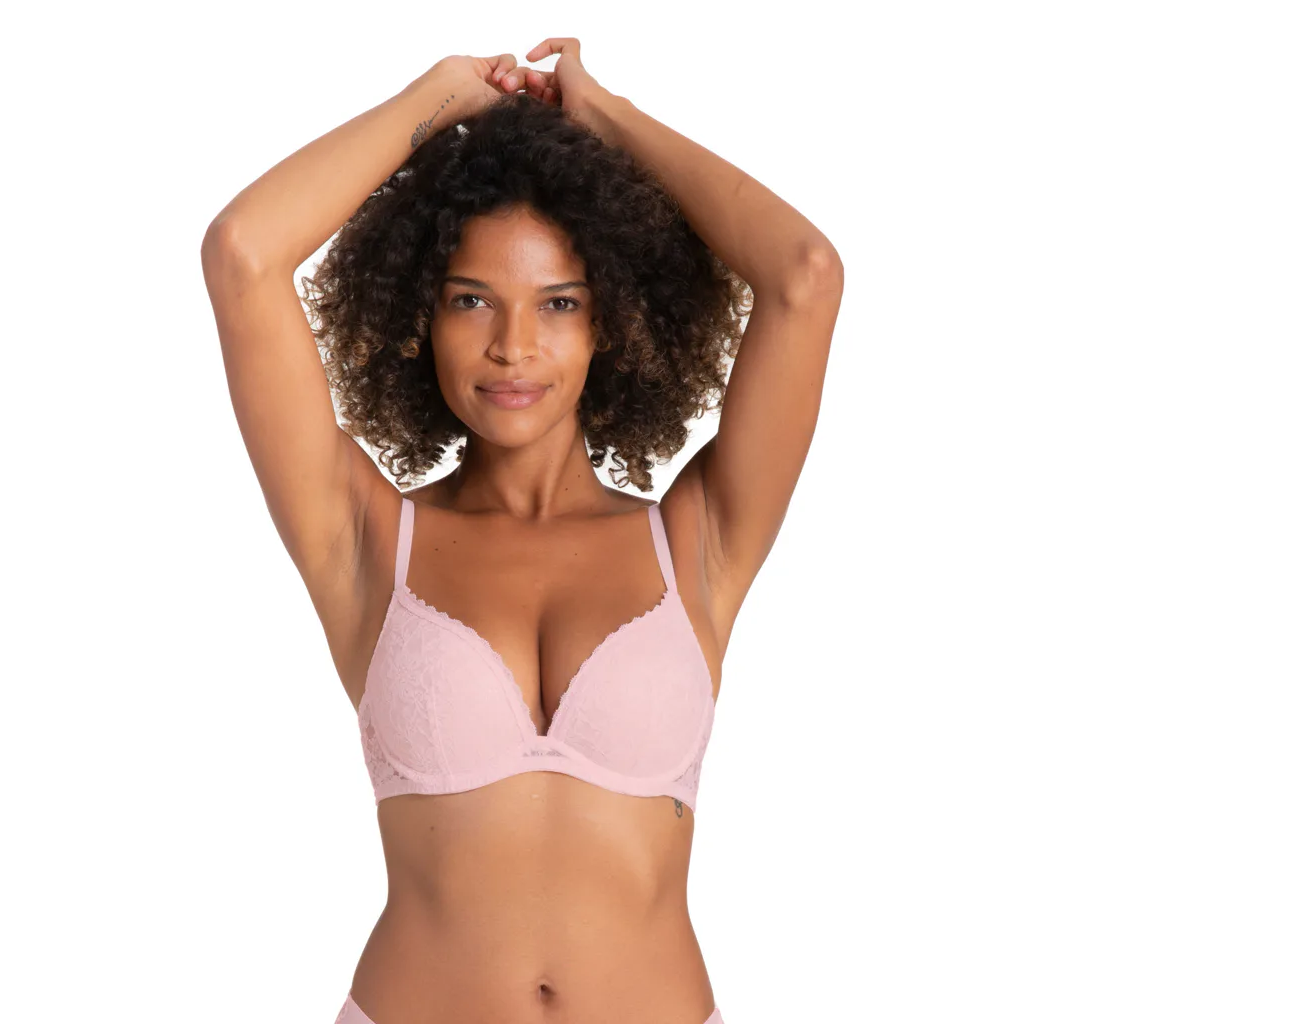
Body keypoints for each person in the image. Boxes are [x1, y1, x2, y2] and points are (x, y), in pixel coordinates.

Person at [203, 38, 843, 1024]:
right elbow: (242, 254)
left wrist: (604, 115)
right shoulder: (366, 538)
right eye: (472, 300)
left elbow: (806, 274)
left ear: (610, 321)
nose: (513, 346)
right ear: (422, 315)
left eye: (559, 303)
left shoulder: (697, 541)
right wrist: (438, 100)